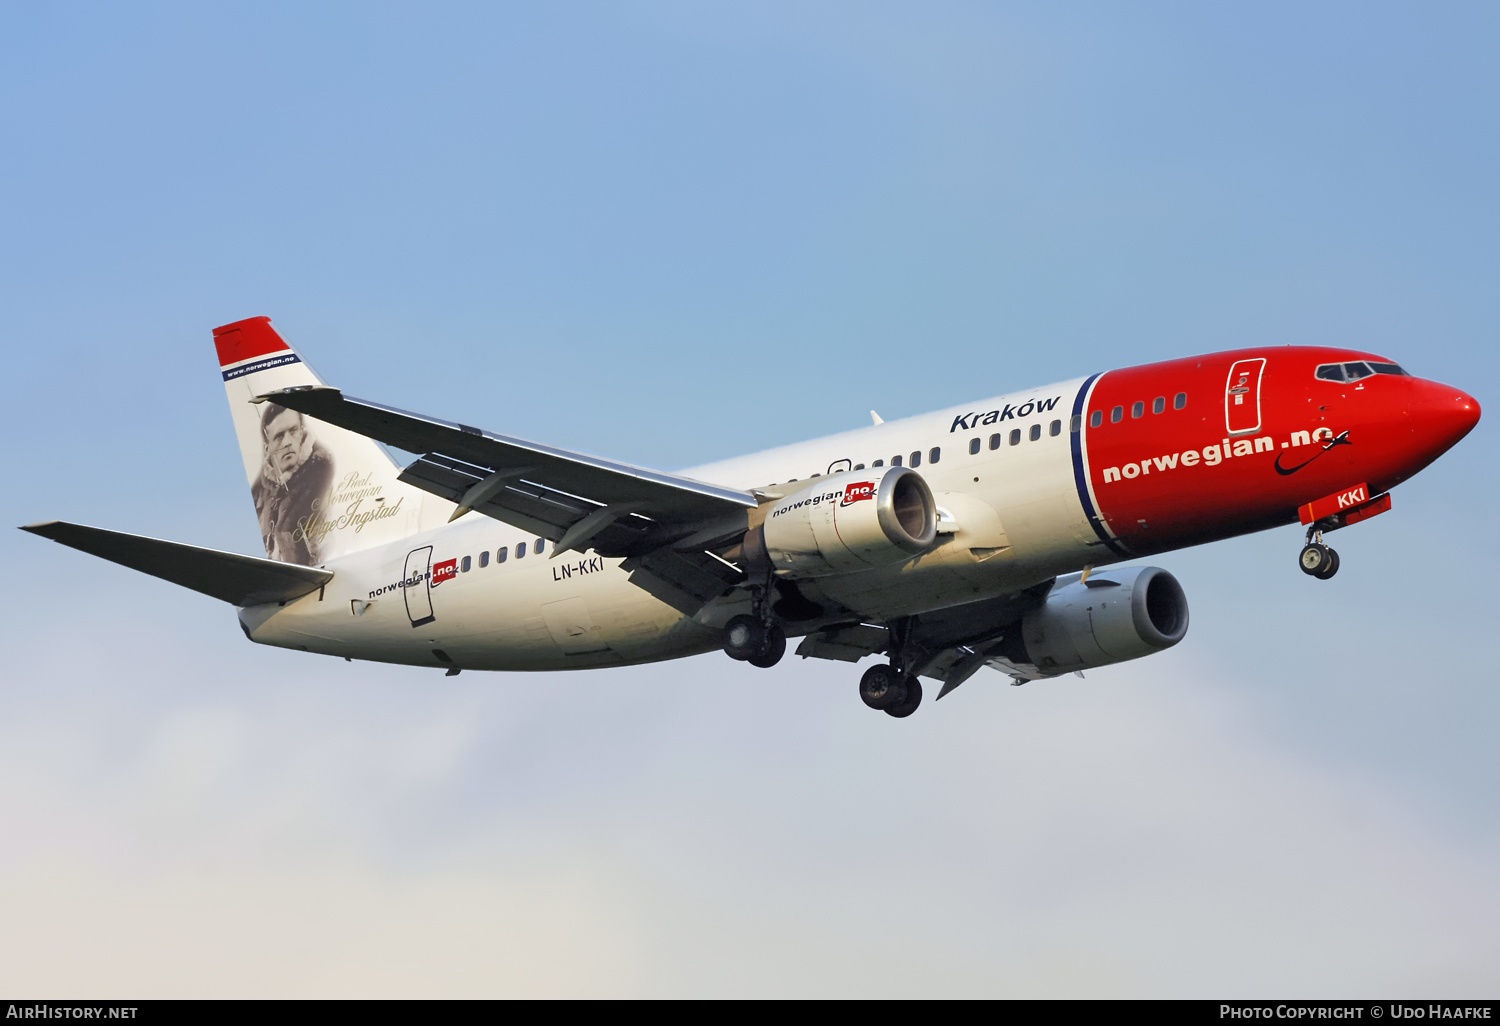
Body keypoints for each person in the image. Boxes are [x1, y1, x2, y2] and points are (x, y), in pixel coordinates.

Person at [251, 403, 334, 565]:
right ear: (267, 449)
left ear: (302, 432)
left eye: (293, 431)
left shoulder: (323, 472)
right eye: (279, 436)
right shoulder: (259, 494)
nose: (288, 442)